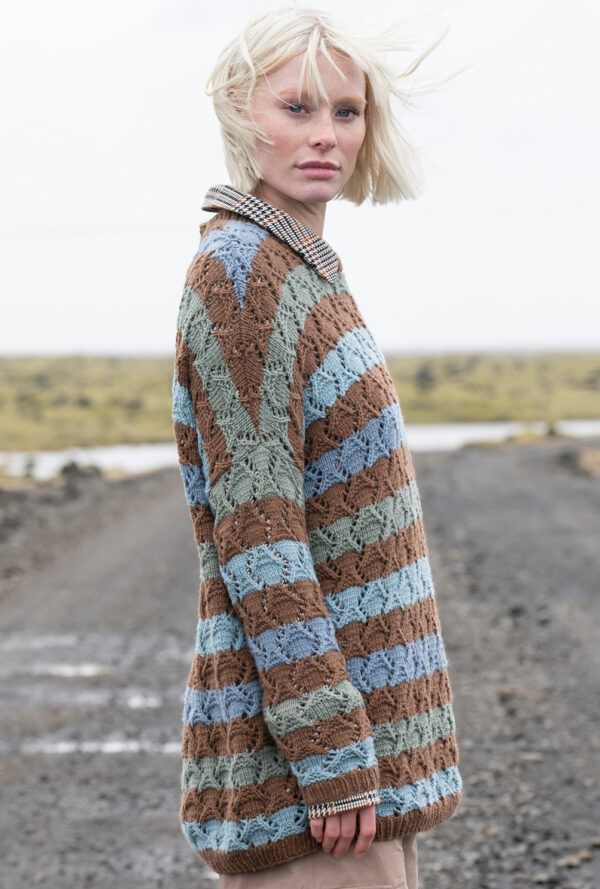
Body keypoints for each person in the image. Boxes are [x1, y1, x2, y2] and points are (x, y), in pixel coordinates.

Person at [171, 7, 462, 888]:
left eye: (346, 111)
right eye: (296, 107)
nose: (326, 134)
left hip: (365, 768)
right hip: (316, 787)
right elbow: (259, 534)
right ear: (239, 110)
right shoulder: (242, 274)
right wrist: (331, 751)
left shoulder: (301, 268)